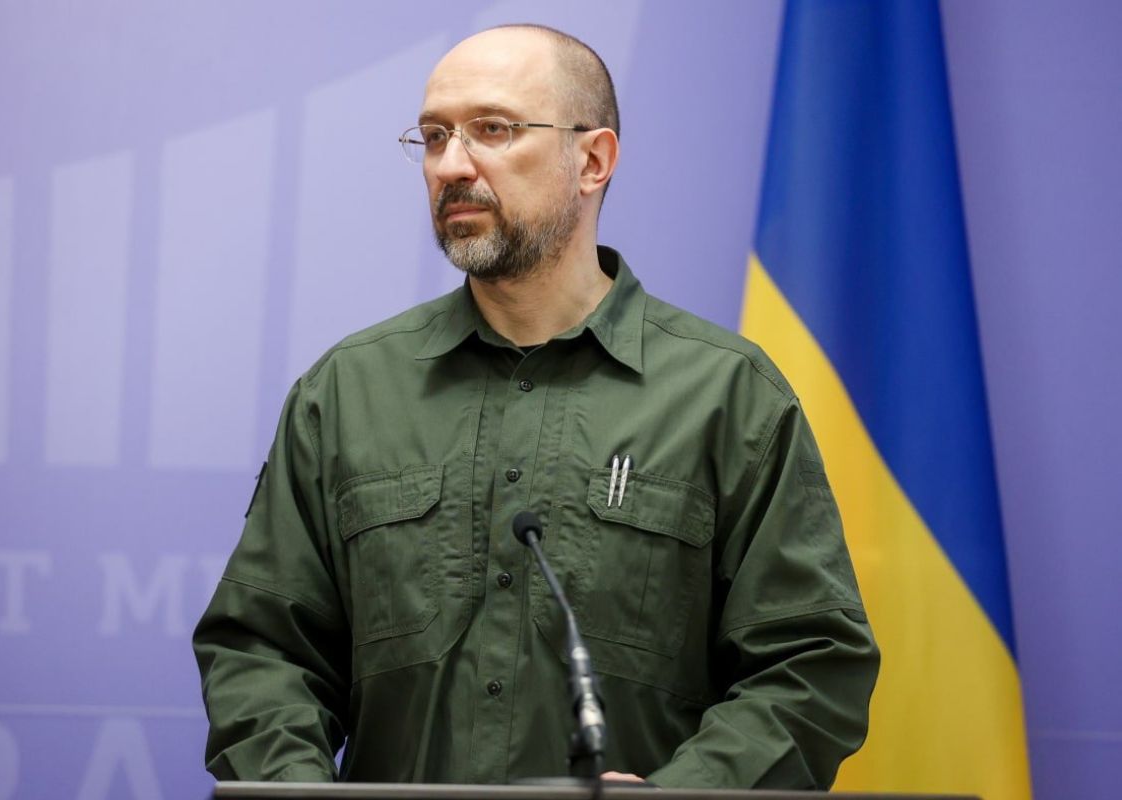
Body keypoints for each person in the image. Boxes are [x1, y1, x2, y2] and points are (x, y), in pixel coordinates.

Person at [193, 24, 879, 790]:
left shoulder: (728, 396)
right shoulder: (347, 393)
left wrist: (684, 796)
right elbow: (262, 651)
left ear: (593, 160)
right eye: (434, 137)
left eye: (492, 129)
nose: (452, 165)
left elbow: (809, 666)